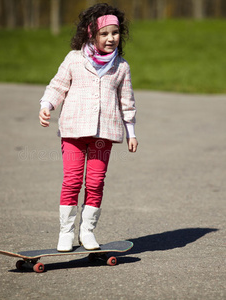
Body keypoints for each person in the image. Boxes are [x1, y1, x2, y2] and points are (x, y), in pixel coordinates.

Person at [39, 3, 138, 252]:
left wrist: (131, 133)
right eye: (104, 34)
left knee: (95, 182)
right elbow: (57, 85)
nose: (110, 38)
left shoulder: (121, 67)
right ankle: (66, 232)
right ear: (91, 34)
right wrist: (47, 104)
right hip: (73, 131)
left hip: (104, 134)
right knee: (72, 180)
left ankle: (87, 231)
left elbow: (127, 102)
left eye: (115, 33)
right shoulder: (74, 59)